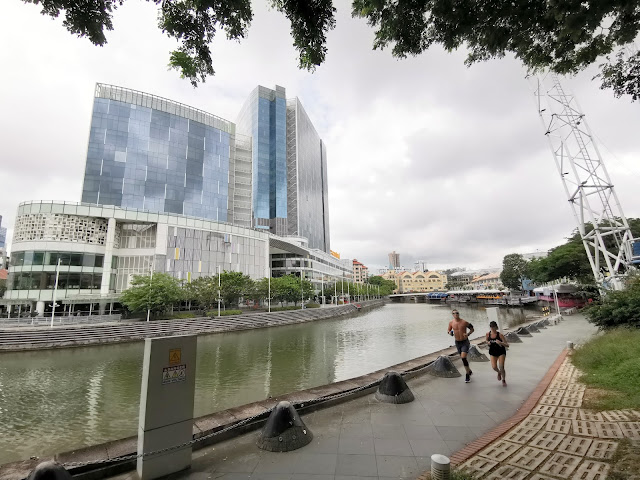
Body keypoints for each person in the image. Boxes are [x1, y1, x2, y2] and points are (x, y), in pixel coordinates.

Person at [447, 310, 474, 383]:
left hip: (465, 342)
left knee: (463, 357)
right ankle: (469, 370)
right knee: (462, 358)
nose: (456, 314)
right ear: (452, 314)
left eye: (457, 313)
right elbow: (448, 330)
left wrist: (468, 334)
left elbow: (472, 329)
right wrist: (450, 333)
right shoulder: (451, 323)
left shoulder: (464, 322)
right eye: (454, 313)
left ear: (459, 314)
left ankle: (467, 374)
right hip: (457, 343)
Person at [486, 320, 509, 387]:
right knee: (494, 367)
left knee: (501, 366)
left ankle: (503, 380)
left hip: (501, 352)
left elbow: (507, 345)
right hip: (493, 352)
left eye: (493, 327)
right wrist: (488, 343)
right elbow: (486, 340)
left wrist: (501, 343)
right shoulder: (488, 334)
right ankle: (499, 372)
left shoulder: (500, 335)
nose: (492, 328)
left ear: (496, 327)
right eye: (491, 327)